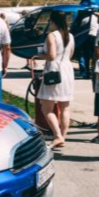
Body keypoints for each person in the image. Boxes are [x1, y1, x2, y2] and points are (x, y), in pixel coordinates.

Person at [28, 11, 75, 149]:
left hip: (54, 71)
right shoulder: (70, 36)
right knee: (64, 106)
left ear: (53, 22)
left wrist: (39, 55)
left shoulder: (52, 36)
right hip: (67, 70)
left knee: (46, 107)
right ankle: (63, 136)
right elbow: (70, 54)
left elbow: (52, 56)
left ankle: (57, 135)